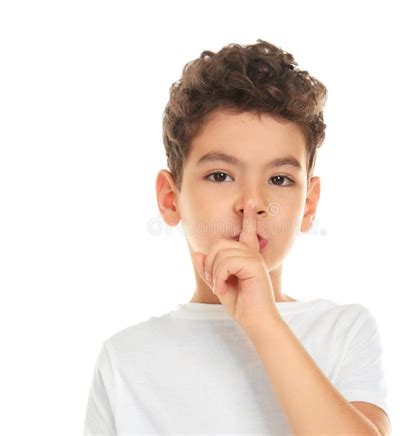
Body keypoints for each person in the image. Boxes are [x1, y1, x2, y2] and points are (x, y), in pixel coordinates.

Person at [84, 39, 391, 435]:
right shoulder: (124, 359)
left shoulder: (343, 330)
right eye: (220, 175)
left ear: (309, 204)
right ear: (170, 198)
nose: (252, 202)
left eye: (279, 179)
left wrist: (262, 320)